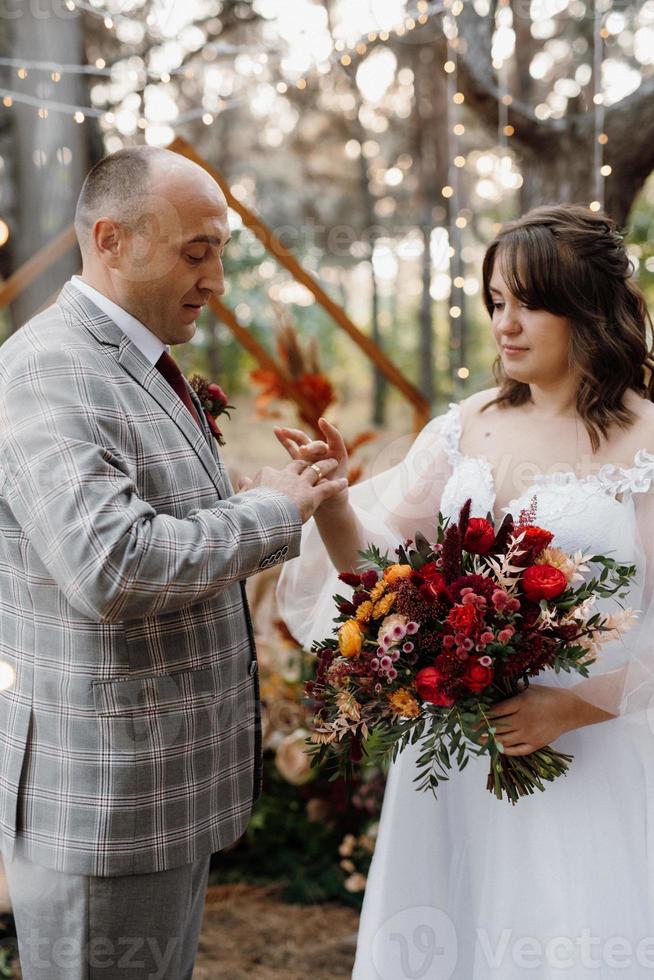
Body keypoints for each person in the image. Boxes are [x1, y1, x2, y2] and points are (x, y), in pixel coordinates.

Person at [277, 204, 654, 978]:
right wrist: (339, 504)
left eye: (527, 303)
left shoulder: (647, 440)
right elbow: (381, 578)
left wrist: (572, 705)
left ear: (586, 306)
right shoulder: (466, 426)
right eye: (494, 304)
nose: (504, 325)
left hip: (595, 750)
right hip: (457, 761)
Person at [0, 145, 347, 980]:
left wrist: (263, 489)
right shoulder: (52, 368)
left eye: (220, 251)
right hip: (105, 803)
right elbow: (111, 566)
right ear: (112, 239)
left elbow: (151, 515)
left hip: (161, 792)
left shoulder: (137, 357)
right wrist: (271, 510)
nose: (217, 279)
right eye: (198, 252)